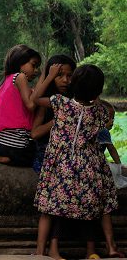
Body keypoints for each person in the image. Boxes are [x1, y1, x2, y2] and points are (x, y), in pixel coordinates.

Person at [34, 64, 119, 259]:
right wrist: (95, 98)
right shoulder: (101, 113)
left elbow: (35, 98)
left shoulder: (60, 103)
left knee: (49, 207)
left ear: (72, 83)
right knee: (96, 207)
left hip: (61, 165)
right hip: (90, 167)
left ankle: (41, 252)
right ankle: (100, 248)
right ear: (98, 90)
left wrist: (50, 76)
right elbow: (103, 115)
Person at [31, 55, 76, 173]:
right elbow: (35, 134)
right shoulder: (46, 101)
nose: (65, 80)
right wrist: (59, 118)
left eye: (69, 75)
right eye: (59, 75)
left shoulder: (75, 100)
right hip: (47, 150)